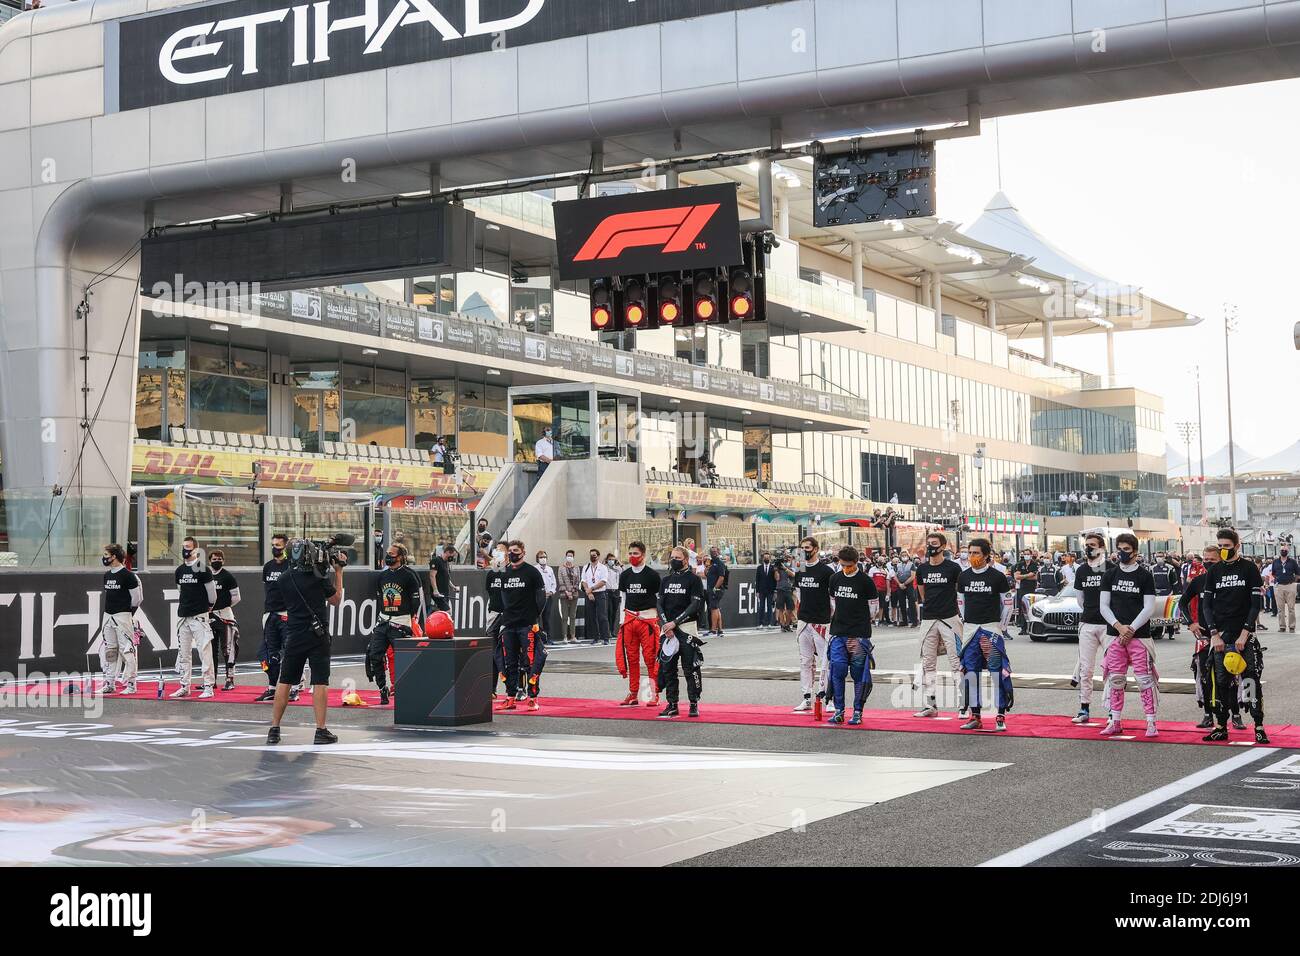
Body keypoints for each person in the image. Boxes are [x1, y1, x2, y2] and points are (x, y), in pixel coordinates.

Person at [266, 541, 345, 746]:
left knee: (285, 680)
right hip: (317, 635)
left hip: (294, 634)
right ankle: (320, 730)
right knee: (320, 681)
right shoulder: (318, 578)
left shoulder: (283, 579)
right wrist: (338, 571)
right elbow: (336, 600)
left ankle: (274, 728)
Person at [1200, 529, 1268, 744]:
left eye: (1227, 547)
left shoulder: (1249, 569)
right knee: (1221, 682)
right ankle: (1221, 726)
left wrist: (1245, 633)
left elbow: (1256, 604)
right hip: (1220, 635)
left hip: (1243, 635)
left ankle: (1258, 726)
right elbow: (1206, 606)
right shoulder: (1214, 571)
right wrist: (1214, 634)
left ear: (1237, 546)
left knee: (1250, 680)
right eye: (1220, 546)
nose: (1223, 550)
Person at [1098, 532, 1159, 739]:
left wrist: (1130, 629)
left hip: (1140, 636)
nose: (1122, 553)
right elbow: (1103, 606)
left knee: (1144, 680)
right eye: (1119, 549)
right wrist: (1119, 627)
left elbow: (1149, 607)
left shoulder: (1145, 575)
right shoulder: (1109, 575)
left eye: (1126, 549)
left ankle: (1151, 722)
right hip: (1115, 636)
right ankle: (1115, 721)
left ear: (1135, 551)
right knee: (1115, 679)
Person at [1180, 545, 1242, 730]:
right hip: (1205, 637)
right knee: (1204, 676)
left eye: (1212, 560)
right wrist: (1190, 623)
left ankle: (1236, 714)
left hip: (1228, 635)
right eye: (1205, 559)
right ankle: (1208, 714)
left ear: (1221, 559)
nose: (1207, 563)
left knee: (1231, 675)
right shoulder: (1198, 581)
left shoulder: (1232, 580)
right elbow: (1182, 603)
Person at [956, 538, 1014, 731]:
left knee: (998, 673)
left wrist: (1001, 626)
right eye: (970, 553)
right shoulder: (963, 577)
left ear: (987, 555)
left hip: (991, 629)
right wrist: (968, 622)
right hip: (971, 630)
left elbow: (1007, 603)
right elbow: (961, 602)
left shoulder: (997, 576)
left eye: (976, 553)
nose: (972, 556)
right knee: (971, 673)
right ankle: (976, 715)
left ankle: (1000, 715)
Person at [826, 546, 880, 725]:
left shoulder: (866, 581)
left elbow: (874, 607)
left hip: (858, 634)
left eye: (849, 565)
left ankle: (858, 711)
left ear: (856, 562)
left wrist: (863, 623)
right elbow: (833, 603)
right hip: (838, 633)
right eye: (842, 565)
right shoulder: (834, 578)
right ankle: (839, 710)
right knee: (837, 671)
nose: (845, 568)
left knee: (859, 674)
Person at [913, 532, 963, 718]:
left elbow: (960, 592)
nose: (930, 547)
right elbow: (923, 593)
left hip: (950, 618)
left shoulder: (953, 568)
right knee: (928, 663)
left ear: (943, 546)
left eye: (934, 544)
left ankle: (963, 704)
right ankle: (930, 704)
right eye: (928, 544)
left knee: (956, 662)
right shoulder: (922, 569)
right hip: (928, 619)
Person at [368, 543, 425, 705]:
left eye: (391, 554)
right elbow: (380, 598)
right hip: (383, 620)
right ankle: (382, 688)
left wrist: (408, 619)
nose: (388, 556)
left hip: (401, 622)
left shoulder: (409, 575)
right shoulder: (381, 576)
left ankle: (407, 688)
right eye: (387, 553)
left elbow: (416, 601)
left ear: (400, 557)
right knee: (374, 655)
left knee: (404, 658)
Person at [496, 541, 548, 711]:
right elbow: (503, 598)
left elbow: (541, 598)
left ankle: (533, 698)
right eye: (510, 551)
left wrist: (534, 618)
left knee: (531, 662)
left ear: (523, 552)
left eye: (515, 551)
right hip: (509, 624)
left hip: (527, 624)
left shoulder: (532, 572)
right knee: (509, 663)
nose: (512, 553)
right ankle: (510, 697)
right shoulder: (504, 573)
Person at [655, 546, 706, 718]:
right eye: (672, 557)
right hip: (667, 630)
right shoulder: (665, 580)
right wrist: (665, 624)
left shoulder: (694, 580)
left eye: (677, 557)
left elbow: (695, 605)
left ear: (685, 559)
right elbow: (659, 604)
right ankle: (672, 704)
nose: (674, 560)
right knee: (667, 668)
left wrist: (675, 623)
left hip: (686, 628)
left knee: (690, 668)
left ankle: (693, 703)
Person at [1069, 533, 1112, 724]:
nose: (1088, 548)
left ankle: (1112, 710)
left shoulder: (1110, 568)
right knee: (1086, 669)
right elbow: (1080, 600)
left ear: (1101, 548)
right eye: (1087, 545)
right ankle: (1084, 708)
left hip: (1109, 626)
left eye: (1093, 545)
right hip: (1087, 623)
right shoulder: (1081, 571)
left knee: (1111, 669)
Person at [616, 541, 662, 707]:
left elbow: (659, 600)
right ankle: (633, 693)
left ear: (643, 555)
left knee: (650, 658)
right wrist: (622, 620)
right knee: (632, 658)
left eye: (635, 554)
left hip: (647, 620)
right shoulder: (625, 575)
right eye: (630, 553)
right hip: (629, 620)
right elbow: (623, 598)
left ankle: (654, 693)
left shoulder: (652, 575)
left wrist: (658, 620)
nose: (632, 557)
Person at [792, 537, 834, 713]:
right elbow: (798, 593)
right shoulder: (800, 569)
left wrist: (832, 619)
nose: (804, 551)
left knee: (826, 662)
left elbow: (833, 598)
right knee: (805, 661)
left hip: (822, 622)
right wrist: (799, 614)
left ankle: (828, 698)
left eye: (807, 548)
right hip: (804, 621)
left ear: (816, 549)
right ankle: (807, 697)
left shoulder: (826, 571)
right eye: (802, 548)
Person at [172, 537, 217, 700]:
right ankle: (184, 686)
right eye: (184, 546)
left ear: (196, 550)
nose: (185, 550)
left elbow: (212, 595)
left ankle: (208, 686)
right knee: (183, 653)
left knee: (204, 651)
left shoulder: (204, 570)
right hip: (183, 616)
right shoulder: (179, 571)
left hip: (199, 616)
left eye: (189, 547)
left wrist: (207, 608)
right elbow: (180, 590)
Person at [100, 544, 142, 695]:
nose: (104, 558)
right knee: (110, 650)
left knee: (127, 650)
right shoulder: (107, 575)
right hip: (108, 616)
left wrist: (126, 613)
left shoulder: (128, 575)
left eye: (106, 555)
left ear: (114, 556)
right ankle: (109, 682)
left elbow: (136, 599)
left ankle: (131, 684)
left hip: (123, 615)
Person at [256, 534, 290, 703]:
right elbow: (267, 589)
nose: (275, 548)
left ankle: (295, 687)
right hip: (270, 614)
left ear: (285, 547)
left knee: (289, 652)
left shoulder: (291, 565)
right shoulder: (268, 566)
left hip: (286, 614)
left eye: (278, 545)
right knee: (267, 653)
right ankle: (272, 687)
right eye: (273, 544)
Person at [208, 549, 242, 692]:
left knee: (228, 649)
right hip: (209, 617)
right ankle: (211, 680)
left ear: (223, 560)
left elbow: (236, 597)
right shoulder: (207, 576)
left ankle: (230, 679)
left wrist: (223, 607)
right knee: (210, 650)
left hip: (225, 616)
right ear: (209, 561)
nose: (217, 561)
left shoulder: (228, 576)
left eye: (219, 559)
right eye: (214, 559)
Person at [486, 548, 507, 699]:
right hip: (493, 614)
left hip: (508, 616)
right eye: (496, 554)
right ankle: (491, 689)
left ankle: (514, 689)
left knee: (510, 653)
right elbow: (489, 591)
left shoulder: (510, 573)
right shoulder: (491, 574)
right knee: (492, 653)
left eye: (501, 554)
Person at [581, 548, 612, 645]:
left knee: (602, 616)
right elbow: (583, 581)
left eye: (594, 555)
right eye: (591, 555)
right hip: (589, 594)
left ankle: (605, 637)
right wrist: (588, 592)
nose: (592, 557)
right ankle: (595, 637)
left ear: (598, 556)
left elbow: (603, 581)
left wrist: (592, 589)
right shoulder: (586, 567)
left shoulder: (603, 567)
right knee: (591, 616)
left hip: (600, 593)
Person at [1271, 546, 1298, 632]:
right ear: (1280, 551)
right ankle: (1282, 626)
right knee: (1280, 608)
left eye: (1285, 550)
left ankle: (1292, 626)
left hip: (1290, 585)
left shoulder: (1293, 562)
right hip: (1279, 586)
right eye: (1282, 550)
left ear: (1288, 552)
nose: (1283, 551)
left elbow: (1297, 573)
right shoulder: (1275, 562)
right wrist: (1279, 579)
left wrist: (1293, 581)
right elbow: (1273, 573)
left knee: (1291, 608)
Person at [557, 550, 582, 643]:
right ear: (565, 556)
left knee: (573, 616)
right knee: (564, 616)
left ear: (573, 557)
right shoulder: (561, 568)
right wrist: (567, 592)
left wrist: (572, 591)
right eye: (568, 555)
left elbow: (577, 581)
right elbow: (560, 581)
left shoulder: (577, 568)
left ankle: (573, 636)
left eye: (571, 556)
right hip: (564, 594)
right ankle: (564, 637)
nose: (569, 557)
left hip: (574, 594)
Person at [1012, 549, 1038, 633]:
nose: (1026, 555)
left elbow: (1035, 577)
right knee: (1022, 608)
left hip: (1031, 589)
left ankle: (1031, 627)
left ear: (1031, 555)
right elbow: (1016, 577)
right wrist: (1028, 575)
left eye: (1028, 554)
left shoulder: (1034, 564)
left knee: (1030, 608)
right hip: (1022, 588)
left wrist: (1022, 576)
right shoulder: (1020, 564)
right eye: (1025, 554)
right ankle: (1023, 628)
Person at [705, 546, 728, 639]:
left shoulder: (719, 563)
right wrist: (707, 568)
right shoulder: (712, 562)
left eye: (714, 551)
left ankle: (713, 630)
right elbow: (707, 574)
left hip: (716, 589)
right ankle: (720, 630)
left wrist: (715, 588)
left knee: (714, 609)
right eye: (711, 551)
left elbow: (721, 577)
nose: (713, 553)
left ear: (718, 552)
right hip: (711, 588)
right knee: (716, 608)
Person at [536, 549, 557, 645]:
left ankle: (548, 638)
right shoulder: (535, 569)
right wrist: (540, 593)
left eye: (544, 557)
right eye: (541, 557)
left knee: (547, 618)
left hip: (549, 597)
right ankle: (537, 638)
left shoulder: (550, 569)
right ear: (537, 559)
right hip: (538, 597)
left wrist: (551, 592)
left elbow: (554, 583)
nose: (543, 559)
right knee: (537, 618)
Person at [428, 545, 454, 613]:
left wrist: (453, 586)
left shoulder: (446, 563)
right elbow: (432, 576)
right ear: (448, 552)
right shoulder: (436, 560)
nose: (452, 557)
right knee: (447, 611)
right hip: (438, 593)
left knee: (440, 612)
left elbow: (446, 577)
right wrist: (435, 590)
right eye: (452, 555)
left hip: (445, 593)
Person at [894, 552, 918, 626]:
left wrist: (904, 584)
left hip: (909, 585)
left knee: (911, 604)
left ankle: (914, 621)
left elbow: (912, 576)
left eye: (905, 555)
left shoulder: (911, 564)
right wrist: (899, 584)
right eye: (902, 555)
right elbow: (895, 576)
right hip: (900, 585)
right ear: (900, 557)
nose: (904, 557)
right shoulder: (897, 565)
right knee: (902, 603)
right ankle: (904, 621)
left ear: (908, 556)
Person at [755, 551, 777, 629]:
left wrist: (775, 591)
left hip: (770, 591)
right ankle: (760, 623)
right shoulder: (759, 568)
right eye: (765, 557)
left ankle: (769, 623)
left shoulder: (773, 568)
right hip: (761, 590)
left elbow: (775, 580)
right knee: (761, 607)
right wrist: (757, 591)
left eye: (767, 557)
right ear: (762, 558)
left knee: (769, 607)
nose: (766, 558)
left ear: (770, 558)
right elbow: (757, 580)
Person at [773, 556, 796, 631]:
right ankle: (782, 625)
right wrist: (776, 570)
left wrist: (785, 568)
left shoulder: (788, 567)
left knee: (790, 608)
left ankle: (787, 624)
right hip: (780, 590)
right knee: (780, 608)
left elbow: (793, 575)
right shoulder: (777, 569)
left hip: (788, 590)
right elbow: (777, 578)